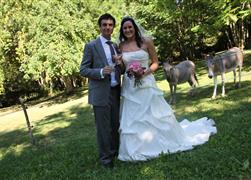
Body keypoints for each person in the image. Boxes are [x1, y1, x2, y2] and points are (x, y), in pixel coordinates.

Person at [117, 16, 217, 161]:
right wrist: (120, 63)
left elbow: (155, 63)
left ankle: (159, 142)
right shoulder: (121, 46)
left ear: (135, 28)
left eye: (130, 27)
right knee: (133, 116)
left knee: (153, 113)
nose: (127, 30)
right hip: (130, 86)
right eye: (125, 28)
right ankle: (137, 147)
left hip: (146, 83)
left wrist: (144, 73)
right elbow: (122, 68)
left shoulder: (146, 42)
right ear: (122, 30)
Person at [80, 13, 124, 168]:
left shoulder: (115, 46)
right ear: (100, 27)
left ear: (113, 27)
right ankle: (106, 160)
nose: (107, 27)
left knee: (115, 124)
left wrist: (120, 64)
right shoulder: (91, 46)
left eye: (110, 25)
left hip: (115, 91)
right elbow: (83, 69)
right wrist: (100, 72)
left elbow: (122, 70)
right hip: (100, 93)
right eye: (104, 24)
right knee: (103, 128)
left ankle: (116, 152)